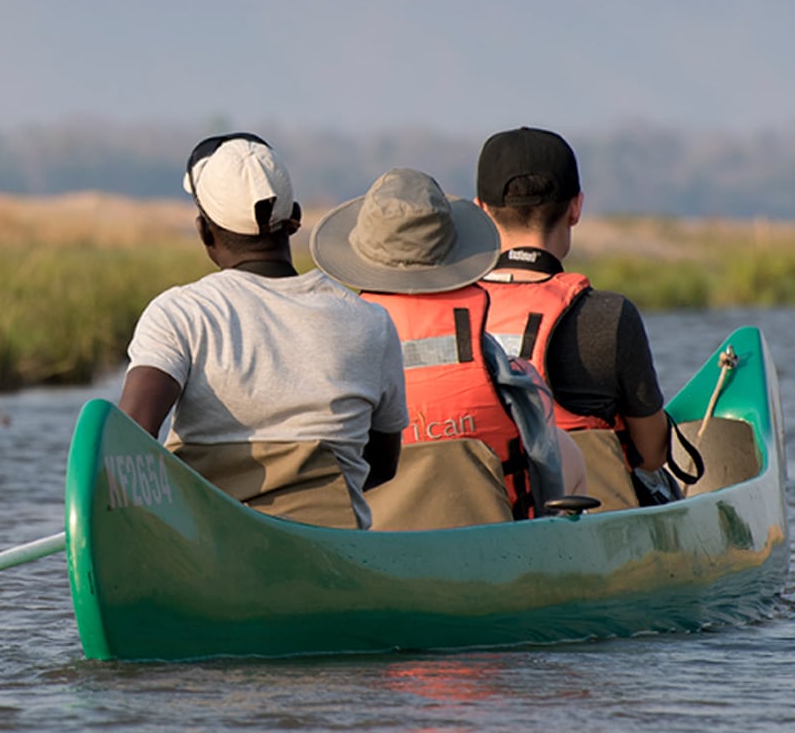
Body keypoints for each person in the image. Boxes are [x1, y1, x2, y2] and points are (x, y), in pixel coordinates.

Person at [119, 133, 409, 530]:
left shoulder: (181, 313)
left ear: (204, 231)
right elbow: (381, 465)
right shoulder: (371, 322)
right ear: (295, 218)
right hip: (331, 550)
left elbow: (127, 442)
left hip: (205, 547)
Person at [310, 167, 588, 525]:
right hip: (494, 545)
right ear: (451, 252)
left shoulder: (338, 358)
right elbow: (544, 467)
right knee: (571, 455)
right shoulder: (496, 364)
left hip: (375, 550)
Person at [473, 127, 672, 510]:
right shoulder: (609, 316)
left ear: (481, 211)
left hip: (477, 518)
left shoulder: (449, 316)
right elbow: (652, 455)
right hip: (590, 531)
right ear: (576, 207)